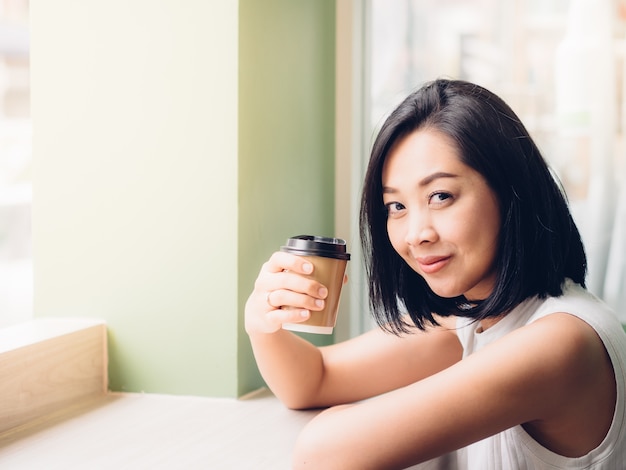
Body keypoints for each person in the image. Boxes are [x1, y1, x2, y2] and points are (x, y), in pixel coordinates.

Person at [244, 79, 626, 469]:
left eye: (440, 196)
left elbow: (324, 454)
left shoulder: (561, 343)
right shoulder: (473, 320)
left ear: (511, 191)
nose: (416, 235)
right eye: (396, 206)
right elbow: (313, 380)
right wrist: (262, 322)